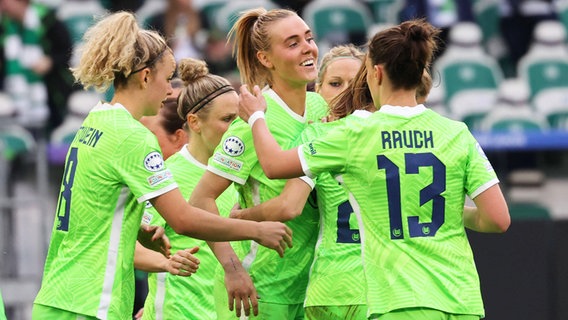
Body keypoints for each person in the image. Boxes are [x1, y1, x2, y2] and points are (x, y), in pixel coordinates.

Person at [238, 18, 511, 320]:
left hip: (394, 300)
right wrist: (446, 211)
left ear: (376, 73)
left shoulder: (355, 133)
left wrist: (256, 117)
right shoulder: (457, 132)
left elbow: (274, 166)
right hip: (461, 298)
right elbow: (497, 220)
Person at [31, 11, 291, 320]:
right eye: (167, 79)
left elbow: (93, 206)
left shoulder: (95, 121)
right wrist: (256, 230)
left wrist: (136, 229)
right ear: (144, 76)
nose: (170, 91)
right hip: (91, 302)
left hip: (61, 294)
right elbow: (182, 219)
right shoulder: (132, 136)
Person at [189, 7, 328, 319]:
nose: (308, 48)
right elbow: (200, 200)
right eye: (292, 43)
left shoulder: (320, 107)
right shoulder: (253, 122)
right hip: (258, 290)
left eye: (309, 38)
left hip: (309, 288)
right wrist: (232, 268)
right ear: (266, 59)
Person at [138, 57, 251, 319]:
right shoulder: (168, 176)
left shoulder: (244, 172)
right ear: (195, 122)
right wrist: (164, 263)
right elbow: (134, 245)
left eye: (240, 119)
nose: (236, 129)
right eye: (227, 119)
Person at [0, 0, 75, 131]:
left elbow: (66, 50)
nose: (3, 6)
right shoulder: (4, 25)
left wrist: (50, 61)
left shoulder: (47, 19)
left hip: (51, 92)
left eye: (5, 1)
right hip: (13, 92)